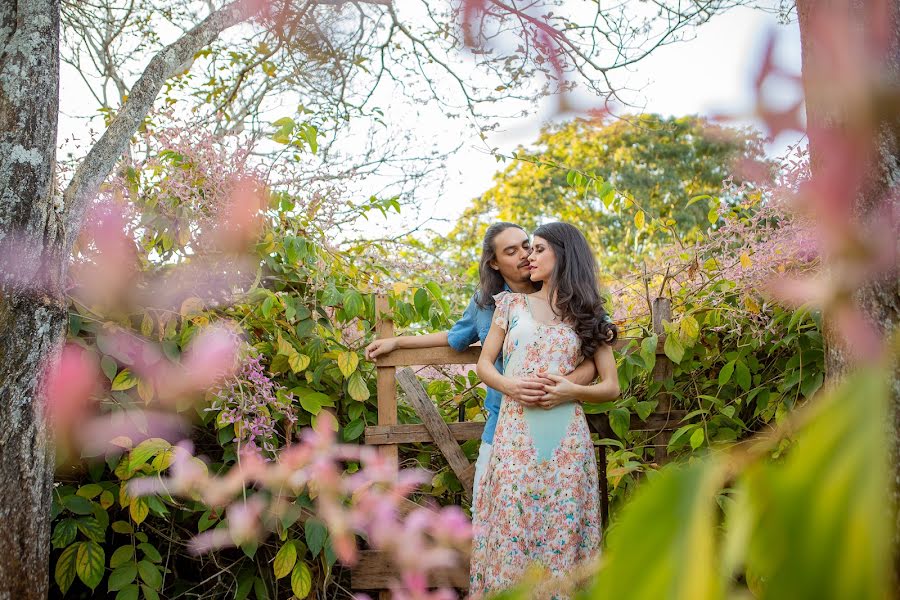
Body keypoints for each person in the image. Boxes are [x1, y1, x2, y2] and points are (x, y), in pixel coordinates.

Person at [364, 222, 597, 506]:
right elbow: (455, 337)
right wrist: (398, 342)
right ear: (494, 263)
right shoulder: (487, 304)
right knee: (491, 507)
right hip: (502, 420)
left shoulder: (563, 295)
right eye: (511, 251)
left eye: (527, 245)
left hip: (555, 416)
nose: (524, 255)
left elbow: (594, 357)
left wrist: (563, 386)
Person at [469, 222, 620, 598]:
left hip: (567, 447)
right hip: (514, 438)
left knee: (562, 542)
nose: (528, 257)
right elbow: (484, 364)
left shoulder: (587, 314)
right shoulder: (511, 304)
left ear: (562, 254)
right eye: (526, 250)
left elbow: (611, 386)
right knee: (510, 538)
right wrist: (511, 387)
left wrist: (572, 391)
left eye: (537, 249)